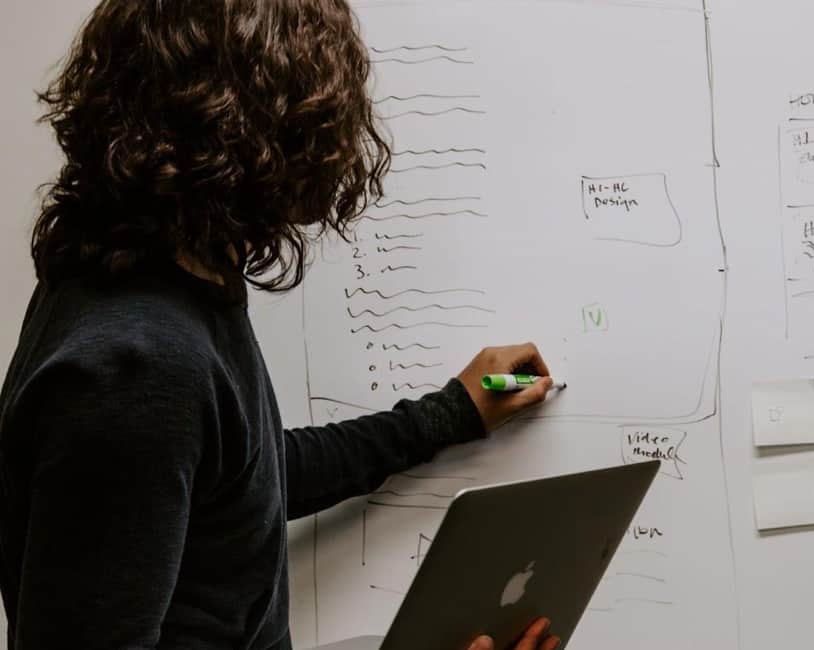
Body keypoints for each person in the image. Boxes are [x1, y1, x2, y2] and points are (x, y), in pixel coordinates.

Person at [0, 1, 560, 648]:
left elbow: (245, 483)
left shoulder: (160, 283)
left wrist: (452, 412)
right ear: (261, 134)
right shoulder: (137, 365)